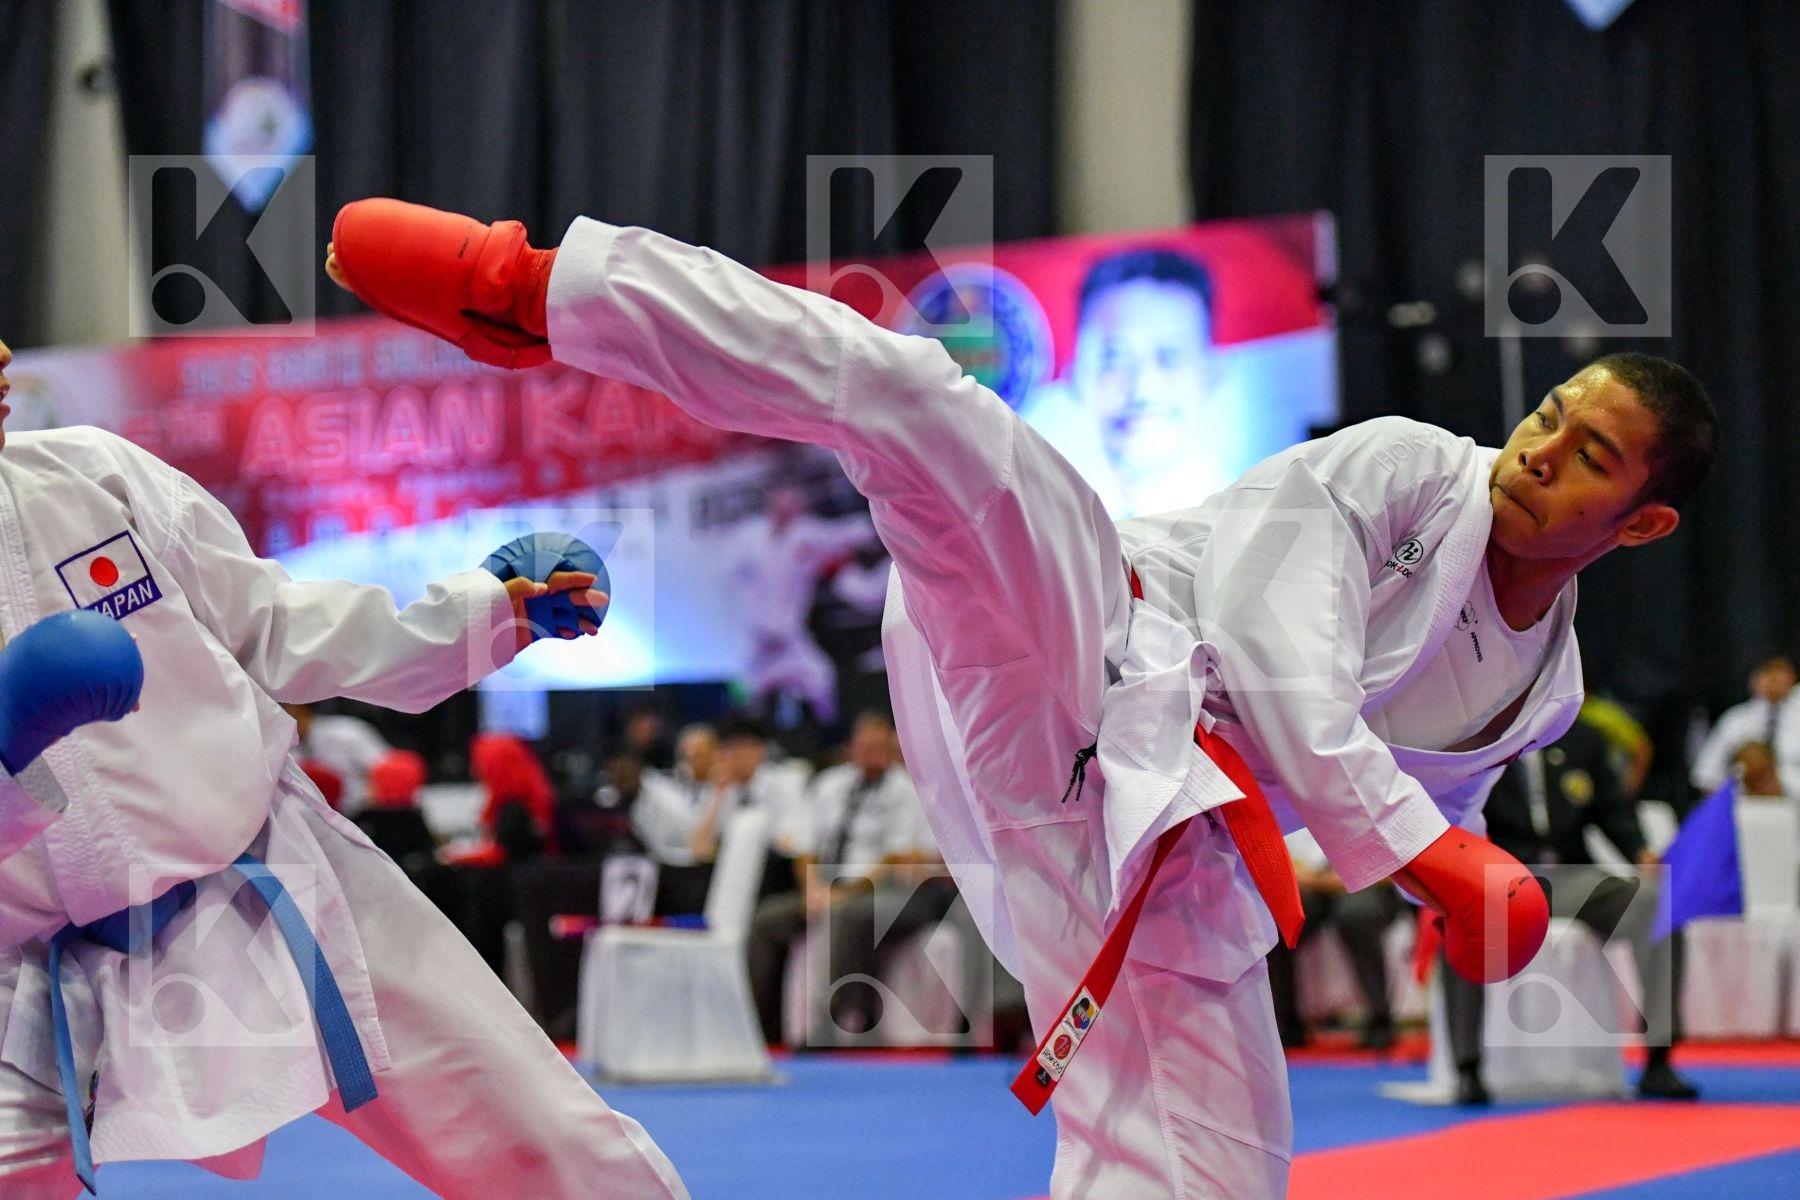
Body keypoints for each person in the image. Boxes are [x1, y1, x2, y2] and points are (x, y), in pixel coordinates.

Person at [326, 202, 1717, 1199]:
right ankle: (540, 290)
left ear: (1641, 525)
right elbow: (1285, 646)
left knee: (1211, 1172)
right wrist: (1417, 850)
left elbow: (1420, 825)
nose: (1538, 453)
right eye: (1550, 418)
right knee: (920, 404)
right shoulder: (1414, 466)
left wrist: (1447, 898)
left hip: (1145, 843)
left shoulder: (1541, 692)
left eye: (1589, 455)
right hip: (1086, 632)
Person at [0, 338, 687, 1199]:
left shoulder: (93, 475)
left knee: (553, 1147)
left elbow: (280, 626)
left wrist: (479, 612)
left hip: (277, 877)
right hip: (30, 970)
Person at [1443, 713, 1697, 1102]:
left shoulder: (1582, 739)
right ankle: (1468, 1068)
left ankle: (1659, 1060)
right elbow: (1454, 816)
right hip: (1499, 876)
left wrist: (1639, 853)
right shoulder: (1473, 740)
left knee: (1654, 903)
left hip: (1572, 876)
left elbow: (1613, 808)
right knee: (1458, 916)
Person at [745, 711, 938, 1044]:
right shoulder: (829, 785)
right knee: (764, 921)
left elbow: (894, 856)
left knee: (848, 915)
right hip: (825, 888)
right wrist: (812, 889)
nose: (872, 754)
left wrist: (846, 892)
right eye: (865, 746)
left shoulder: (904, 791)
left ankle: (833, 1021)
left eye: (879, 747)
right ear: (851, 747)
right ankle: (758, 1025)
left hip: (878, 889)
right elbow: (806, 845)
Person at [1019, 247, 1223, 516]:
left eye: (1169, 357)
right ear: (1073, 376)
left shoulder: (1251, 519)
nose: (1143, 388)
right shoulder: (1034, 515)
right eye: (1113, 360)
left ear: (1211, 373)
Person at [724, 483, 879, 730]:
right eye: (780, 504)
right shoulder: (750, 537)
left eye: (792, 505)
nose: (785, 510)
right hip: (757, 638)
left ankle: (829, 735)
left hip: (789, 635)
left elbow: (842, 534)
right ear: (770, 505)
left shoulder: (806, 535)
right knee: (741, 689)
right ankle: (745, 735)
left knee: (821, 678)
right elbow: (728, 573)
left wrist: (874, 525)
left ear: (799, 508)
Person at [1265, 829, 1403, 1050]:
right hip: (1306, 882)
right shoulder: (1285, 798)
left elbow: (1396, 858)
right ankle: (1286, 1023)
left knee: (1358, 915)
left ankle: (1379, 1018)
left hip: (1365, 879)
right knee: (1276, 921)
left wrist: (1335, 879)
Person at [1691, 654, 1796, 796]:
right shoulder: (1736, 720)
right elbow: (1705, 774)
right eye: (1769, 674)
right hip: (1744, 806)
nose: (1775, 681)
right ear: (1755, 680)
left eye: (1781, 675)